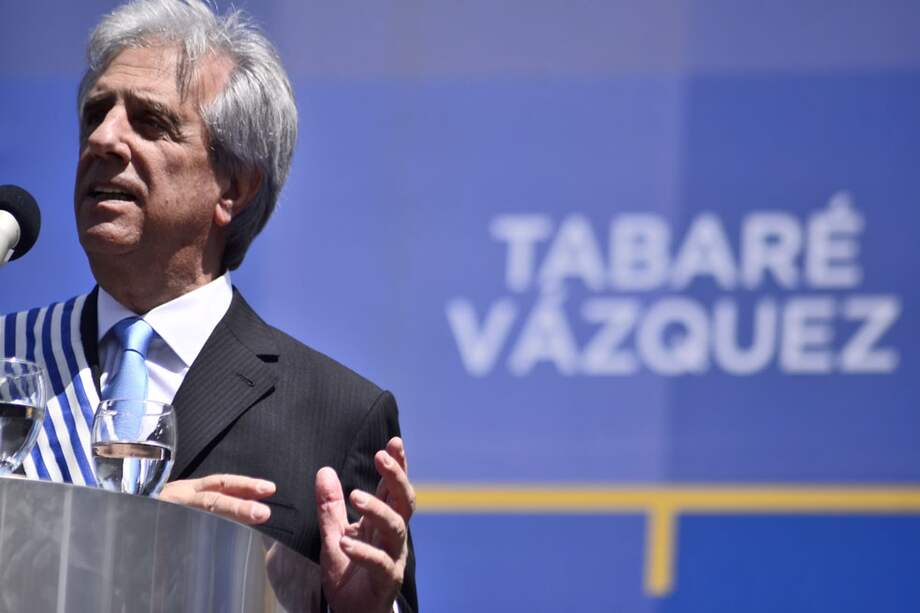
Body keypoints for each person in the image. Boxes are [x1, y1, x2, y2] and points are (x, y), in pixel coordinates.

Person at [0, 1, 417, 611]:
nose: (103, 138)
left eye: (150, 122)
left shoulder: (337, 414)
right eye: (96, 113)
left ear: (236, 186)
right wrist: (121, 547)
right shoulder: (11, 357)